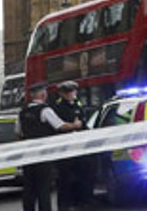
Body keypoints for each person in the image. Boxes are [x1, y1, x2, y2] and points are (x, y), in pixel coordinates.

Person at [18, 82, 81, 211]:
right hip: (43, 156)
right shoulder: (45, 110)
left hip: (27, 156)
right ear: (42, 94)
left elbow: (18, 132)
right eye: (45, 92)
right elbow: (60, 126)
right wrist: (75, 125)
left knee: (29, 188)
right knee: (43, 188)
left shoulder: (22, 112)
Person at [49, 81, 93, 211]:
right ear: (62, 93)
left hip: (79, 147)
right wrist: (74, 126)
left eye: (73, 91)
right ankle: (65, 205)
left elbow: (83, 123)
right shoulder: (57, 107)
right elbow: (58, 127)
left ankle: (82, 202)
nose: (72, 94)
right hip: (65, 149)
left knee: (82, 175)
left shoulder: (78, 105)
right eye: (68, 92)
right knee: (65, 178)